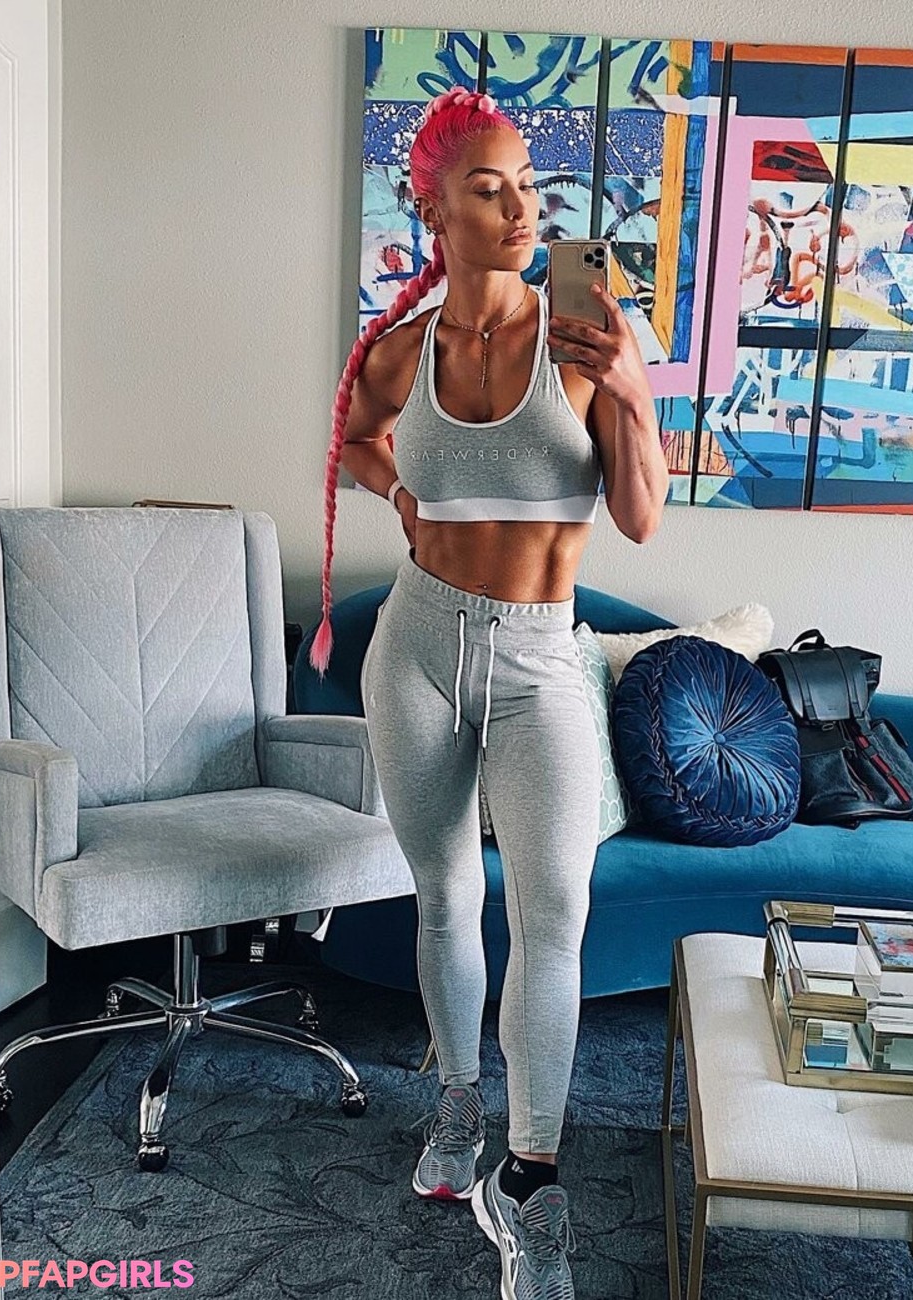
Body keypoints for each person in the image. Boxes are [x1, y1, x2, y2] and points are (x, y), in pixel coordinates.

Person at [309, 84, 668, 1300]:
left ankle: (532, 1176)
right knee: (446, 892)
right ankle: (459, 1105)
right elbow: (354, 441)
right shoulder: (399, 352)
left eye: (529, 188)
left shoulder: (585, 333)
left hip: (541, 657)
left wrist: (632, 386)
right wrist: (400, 493)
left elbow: (640, 515)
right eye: (490, 188)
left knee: (555, 908)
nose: (522, 210)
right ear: (433, 209)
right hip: (415, 643)